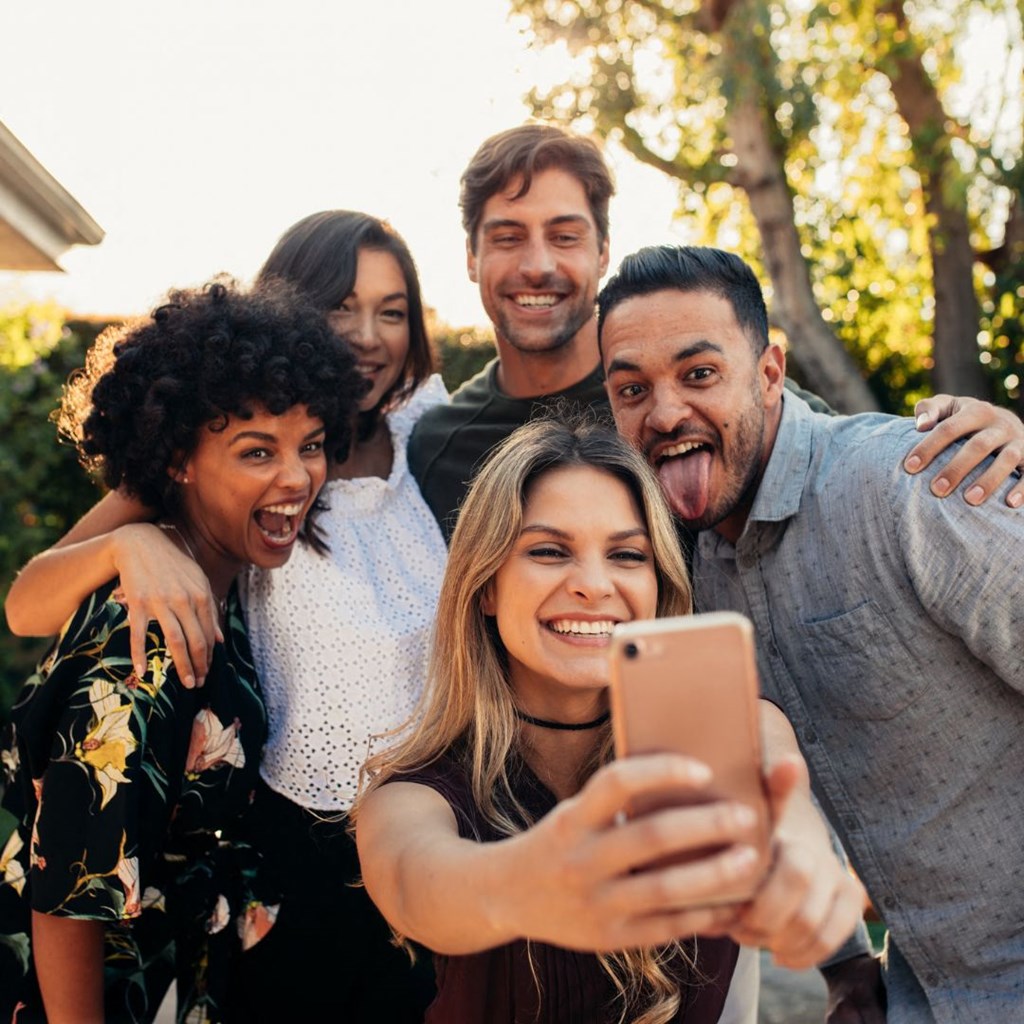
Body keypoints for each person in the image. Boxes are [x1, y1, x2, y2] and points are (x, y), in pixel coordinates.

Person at [3, 212, 448, 1022]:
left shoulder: (412, 437)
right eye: (342, 307)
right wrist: (127, 545)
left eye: (393, 310)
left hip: (232, 951)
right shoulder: (150, 617)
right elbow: (69, 881)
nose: (369, 336)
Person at [597, 243, 1024, 1022]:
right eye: (632, 389)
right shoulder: (682, 576)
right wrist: (846, 967)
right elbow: (768, 782)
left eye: (699, 374)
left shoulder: (912, 484)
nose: (663, 413)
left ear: (768, 373)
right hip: (920, 997)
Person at [352, 417, 866, 1024]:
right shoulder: (412, 795)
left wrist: (799, 856)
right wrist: (530, 881)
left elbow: (783, 799)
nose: (595, 586)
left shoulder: (727, 729)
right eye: (548, 551)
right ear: (485, 586)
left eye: (626, 555)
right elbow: (420, 888)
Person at [407, 123, 1024, 539]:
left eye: (565, 236)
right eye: (508, 236)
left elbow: (839, 460)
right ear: (470, 256)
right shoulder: (436, 448)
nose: (538, 264)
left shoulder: (703, 386)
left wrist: (997, 441)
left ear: (601, 254)